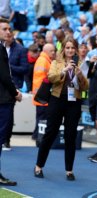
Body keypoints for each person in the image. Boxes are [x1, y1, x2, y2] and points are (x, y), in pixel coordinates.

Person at [34, 37, 89, 181]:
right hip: (57, 100)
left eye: (72, 48)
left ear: (76, 50)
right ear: (63, 49)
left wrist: (80, 76)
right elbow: (51, 77)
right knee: (50, 133)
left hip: (74, 102)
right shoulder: (56, 62)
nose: (70, 50)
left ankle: (69, 170)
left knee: (71, 136)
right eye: (68, 47)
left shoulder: (81, 64)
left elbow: (85, 87)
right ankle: (39, 166)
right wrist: (64, 71)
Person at [0, 18, 22, 186]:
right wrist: (15, 93)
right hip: (2, 100)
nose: (9, 31)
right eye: (5, 29)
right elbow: (4, 76)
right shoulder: (0, 49)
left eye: (9, 28)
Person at [2, 30, 29, 150]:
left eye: (10, 33)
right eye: (4, 31)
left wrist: (7, 67)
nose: (8, 34)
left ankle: (6, 140)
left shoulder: (21, 49)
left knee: (9, 114)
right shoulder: (2, 47)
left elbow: (25, 68)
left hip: (14, 85)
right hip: (2, 86)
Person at [32, 43, 56, 140]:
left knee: (40, 118)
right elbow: (45, 79)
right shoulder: (44, 61)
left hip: (40, 96)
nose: (54, 53)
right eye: (52, 51)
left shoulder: (45, 60)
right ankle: (38, 136)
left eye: (54, 50)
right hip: (42, 96)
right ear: (46, 51)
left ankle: (36, 135)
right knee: (42, 119)